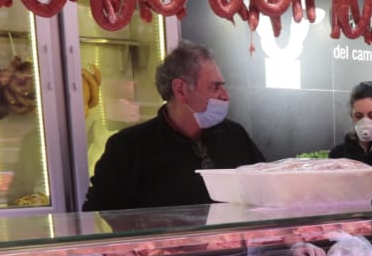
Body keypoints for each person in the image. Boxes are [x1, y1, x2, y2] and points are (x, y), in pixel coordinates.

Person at [83, 41, 265, 213]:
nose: (225, 96)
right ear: (180, 90)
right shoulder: (128, 147)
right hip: (163, 246)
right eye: (214, 87)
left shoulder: (235, 136)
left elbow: (266, 191)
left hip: (233, 245)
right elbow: (98, 215)